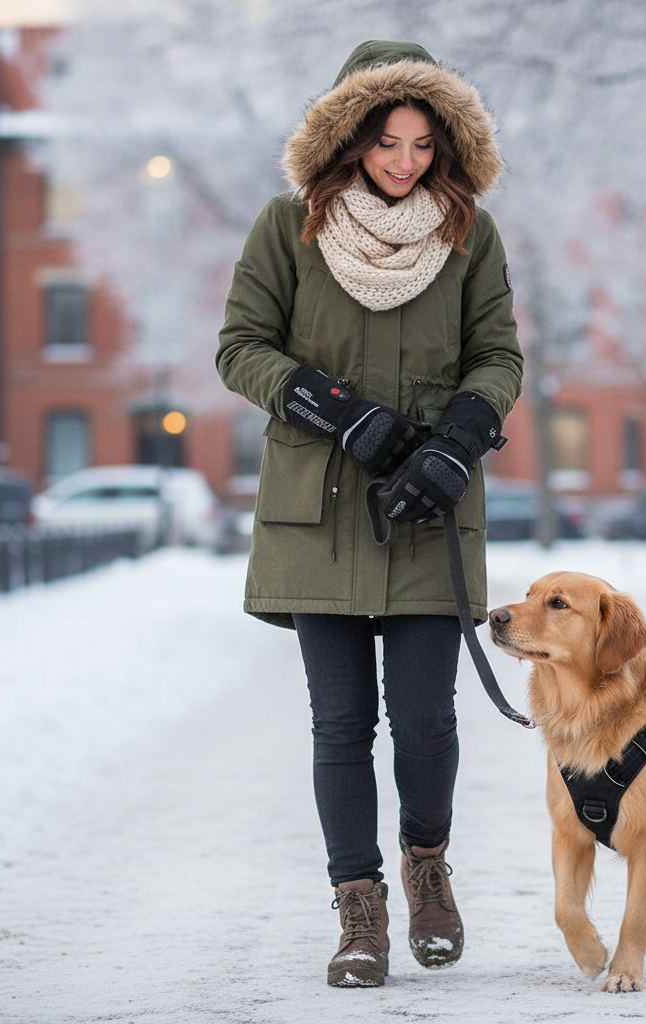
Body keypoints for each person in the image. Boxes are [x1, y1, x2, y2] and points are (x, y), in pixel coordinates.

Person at [215, 40, 523, 988]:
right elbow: (239, 348)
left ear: (446, 149)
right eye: (387, 140)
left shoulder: (471, 234)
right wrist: (337, 409)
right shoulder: (286, 227)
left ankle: (428, 871)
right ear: (349, 136)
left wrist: (455, 440)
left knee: (427, 719)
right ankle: (360, 911)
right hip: (323, 512)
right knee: (341, 722)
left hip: (429, 507)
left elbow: (499, 357)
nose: (403, 162)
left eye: (423, 145)